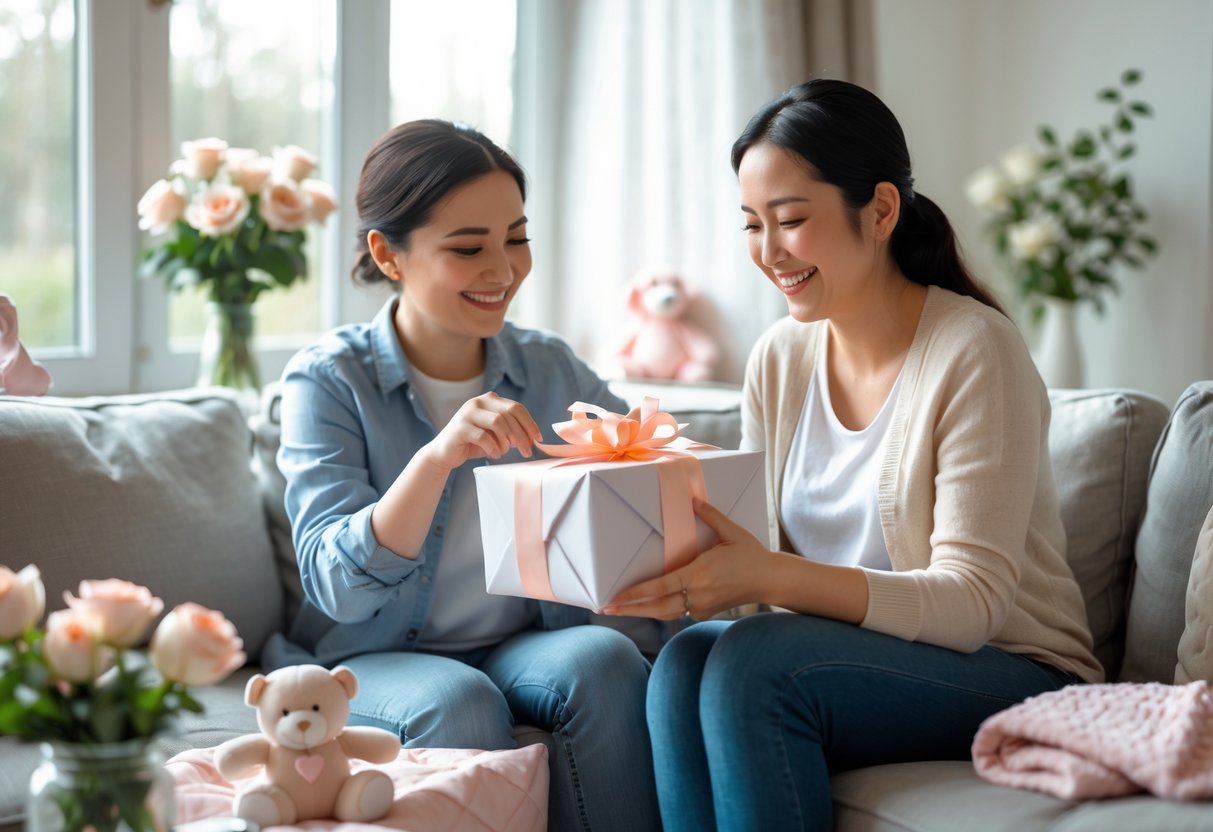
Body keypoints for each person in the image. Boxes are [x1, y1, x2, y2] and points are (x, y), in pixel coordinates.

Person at [603, 79, 1103, 831]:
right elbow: (757, 563)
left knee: (749, 665)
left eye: (791, 220)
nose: (768, 253)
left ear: (878, 210)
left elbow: (972, 603)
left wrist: (768, 573)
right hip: (854, 655)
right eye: (750, 225)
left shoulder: (974, 349)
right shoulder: (779, 357)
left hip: (1012, 667)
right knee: (683, 664)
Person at [262, 119, 661, 832]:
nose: (503, 270)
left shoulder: (549, 368)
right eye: (468, 248)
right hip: (374, 652)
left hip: (523, 638)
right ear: (388, 253)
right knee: (459, 700)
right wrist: (437, 456)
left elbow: (646, 473)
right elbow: (335, 584)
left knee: (603, 658)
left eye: (516, 237)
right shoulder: (327, 380)